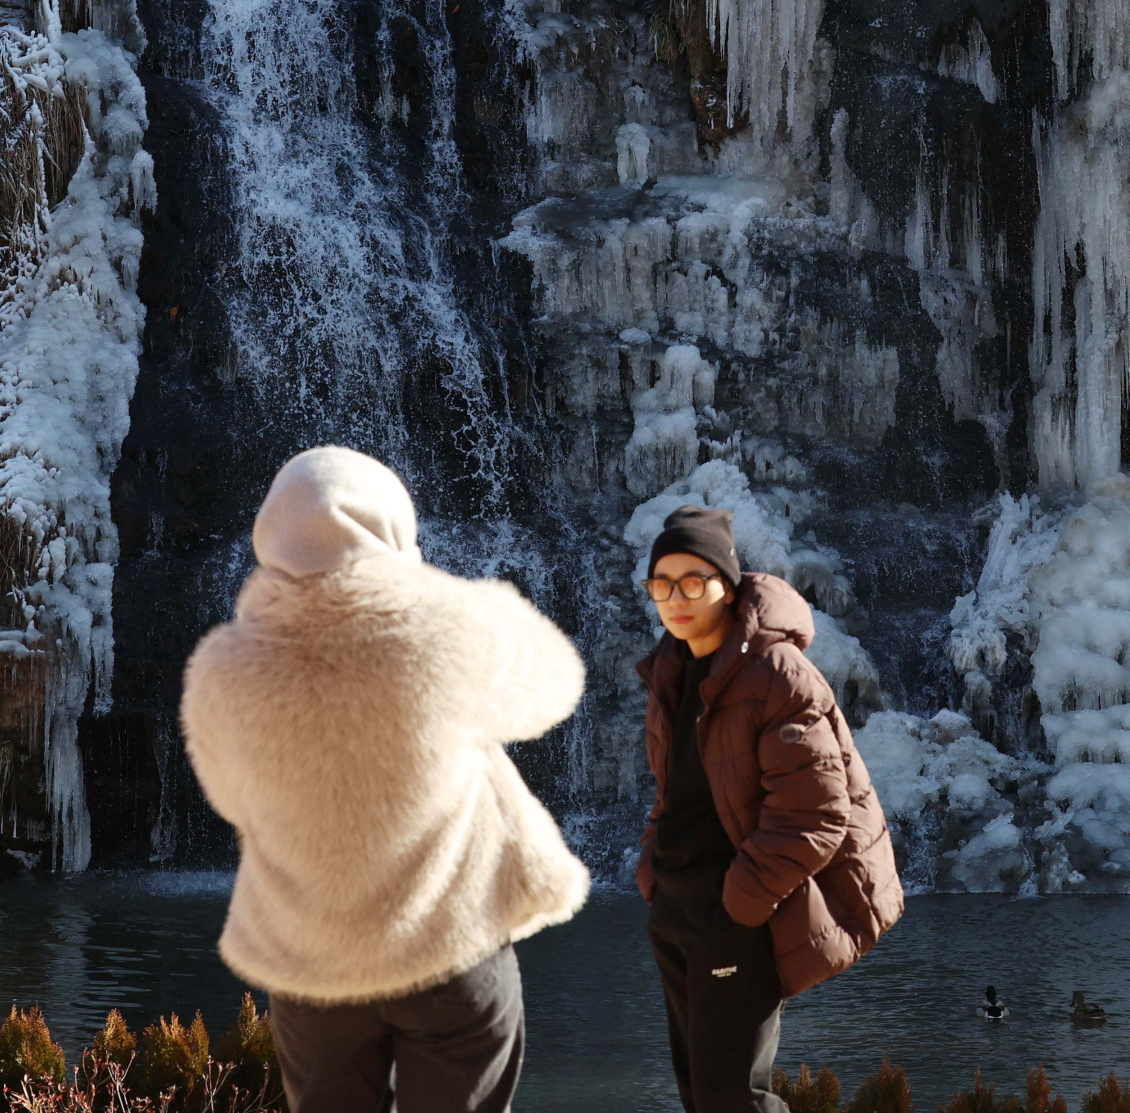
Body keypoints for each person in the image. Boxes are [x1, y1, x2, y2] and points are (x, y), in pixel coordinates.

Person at [181, 446, 590, 1113]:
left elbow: (231, 799)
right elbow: (556, 683)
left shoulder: (222, 667)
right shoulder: (446, 628)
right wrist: (475, 600)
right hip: (450, 951)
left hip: (312, 970)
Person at [636, 503, 904, 1113]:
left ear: (727, 588)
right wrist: (653, 870)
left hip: (736, 910)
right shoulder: (670, 671)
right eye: (661, 583)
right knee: (702, 1096)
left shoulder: (777, 673)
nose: (675, 597)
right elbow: (674, 793)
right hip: (676, 907)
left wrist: (741, 904)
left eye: (693, 580)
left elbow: (817, 815)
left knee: (734, 1099)